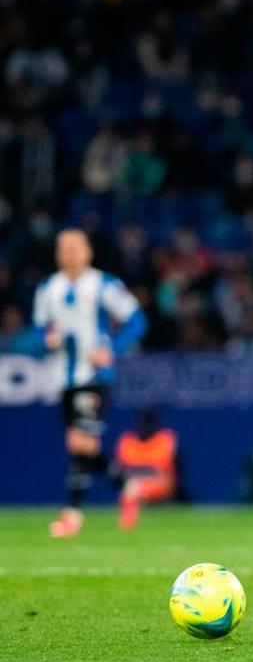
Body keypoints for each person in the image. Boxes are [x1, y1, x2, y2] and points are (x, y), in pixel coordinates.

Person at [34, 229, 148, 537]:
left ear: (87, 251)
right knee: (86, 444)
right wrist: (47, 339)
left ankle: (72, 514)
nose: (69, 252)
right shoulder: (48, 288)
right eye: (64, 247)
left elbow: (137, 321)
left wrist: (113, 348)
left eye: (75, 246)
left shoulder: (104, 285)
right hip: (65, 379)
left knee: (78, 442)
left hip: (94, 377)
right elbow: (40, 331)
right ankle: (128, 485)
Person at [115, 408, 178, 529]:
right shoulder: (127, 441)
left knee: (134, 488)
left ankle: (129, 520)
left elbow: (164, 469)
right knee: (131, 487)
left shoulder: (164, 439)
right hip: (134, 483)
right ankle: (128, 521)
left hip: (159, 483)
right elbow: (123, 468)